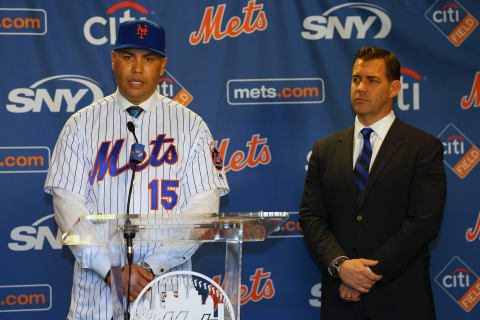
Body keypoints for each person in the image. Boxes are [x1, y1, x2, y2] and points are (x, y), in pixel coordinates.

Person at [44, 19, 229, 319]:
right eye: (129, 57)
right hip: (97, 297)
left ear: (162, 65)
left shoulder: (192, 127)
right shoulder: (80, 125)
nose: (138, 68)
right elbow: (67, 207)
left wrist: (149, 268)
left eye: (149, 58)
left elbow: (203, 209)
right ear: (114, 60)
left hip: (168, 292)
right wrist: (109, 270)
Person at [299, 46, 446, 320]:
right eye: (356, 79)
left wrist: (365, 276)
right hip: (341, 303)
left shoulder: (423, 148)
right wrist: (342, 267)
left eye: (372, 80)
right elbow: (311, 217)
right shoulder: (325, 149)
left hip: (401, 300)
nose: (360, 88)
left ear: (394, 88)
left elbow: (424, 221)